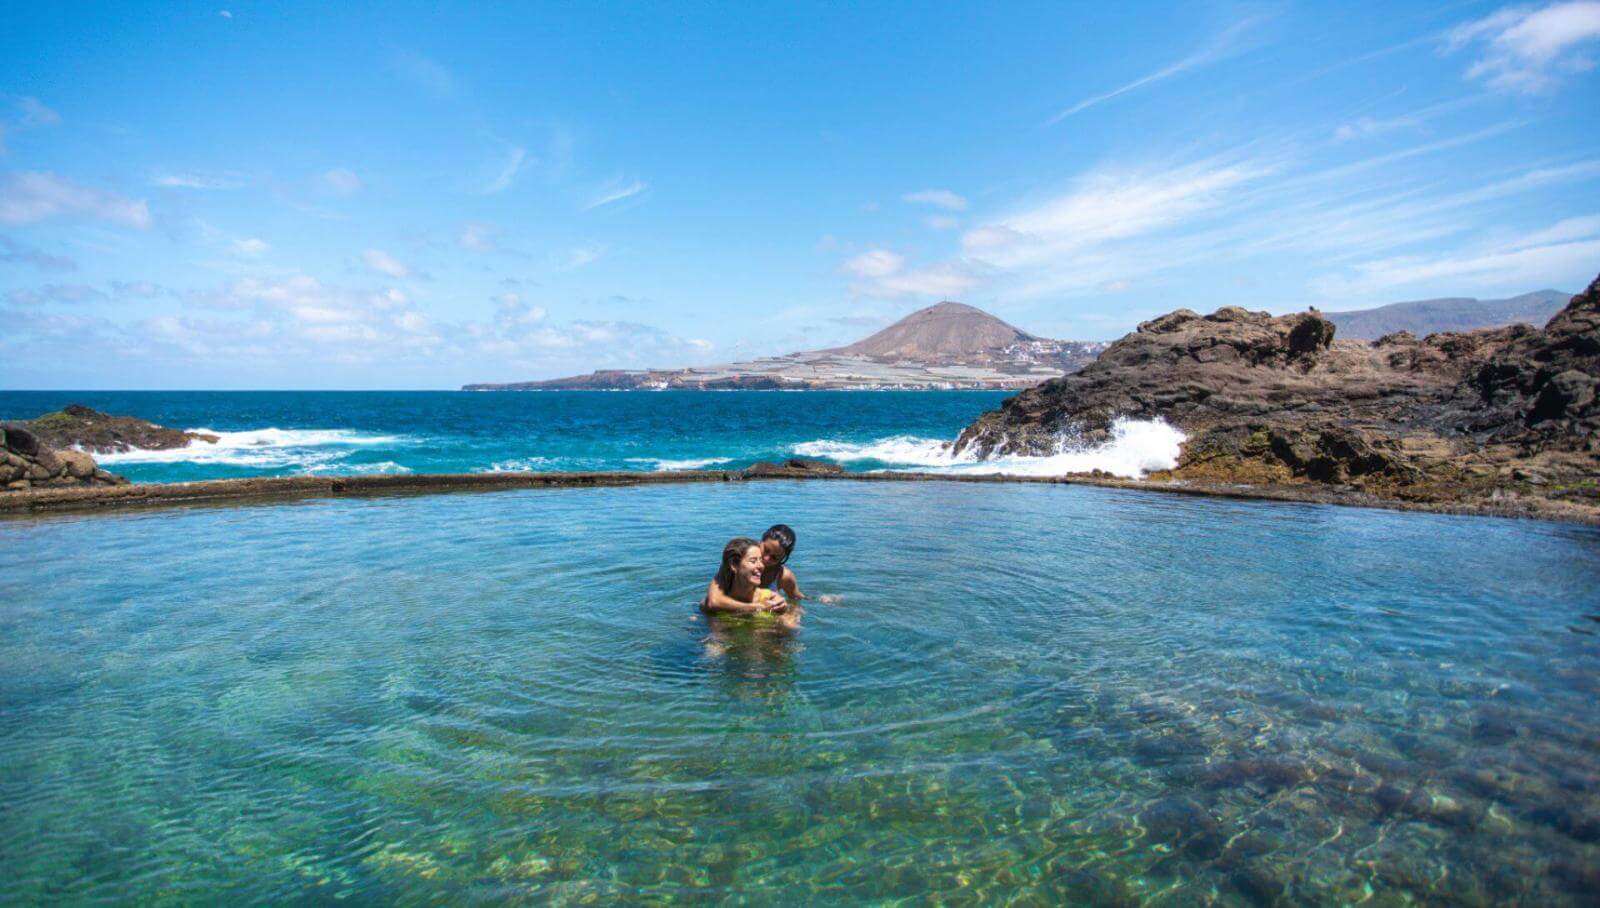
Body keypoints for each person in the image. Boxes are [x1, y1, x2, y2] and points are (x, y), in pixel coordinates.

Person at [702, 537, 793, 624]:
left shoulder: (769, 598)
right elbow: (712, 602)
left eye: (760, 560)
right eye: (753, 561)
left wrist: (785, 611)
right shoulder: (716, 597)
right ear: (734, 565)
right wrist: (757, 607)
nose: (762, 565)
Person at [758, 524, 805, 601]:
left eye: (774, 557)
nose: (766, 558)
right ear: (761, 541)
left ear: (783, 558)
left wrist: (817, 600)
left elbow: (796, 598)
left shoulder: (784, 576)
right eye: (766, 550)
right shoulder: (743, 556)